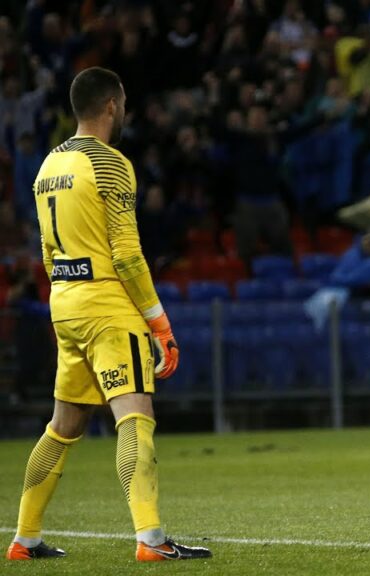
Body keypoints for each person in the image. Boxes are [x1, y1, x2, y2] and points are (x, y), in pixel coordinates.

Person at [6, 67, 211, 561]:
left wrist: (64, 300)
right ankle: (151, 539)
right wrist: (159, 321)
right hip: (107, 305)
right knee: (135, 419)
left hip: (65, 302)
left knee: (63, 426)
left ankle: (25, 538)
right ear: (112, 106)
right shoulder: (111, 162)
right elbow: (127, 254)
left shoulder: (48, 165)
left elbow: (48, 249)